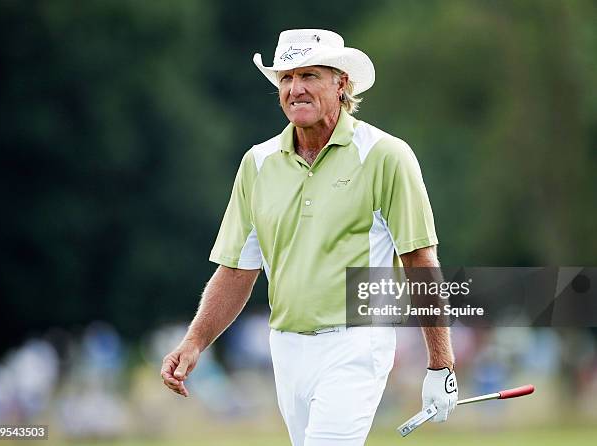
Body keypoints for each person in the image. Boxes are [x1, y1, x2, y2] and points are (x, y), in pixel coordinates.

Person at [161, 29, 458, 445]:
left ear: (342, 83)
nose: (295, 89)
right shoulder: (258, 163)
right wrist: (194, 342)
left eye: (310, 76)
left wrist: (440, 363)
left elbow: (420, 261)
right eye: (286, 78)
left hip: (358, 340)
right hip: (285, 348)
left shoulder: (385, 155)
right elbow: (236, 271)